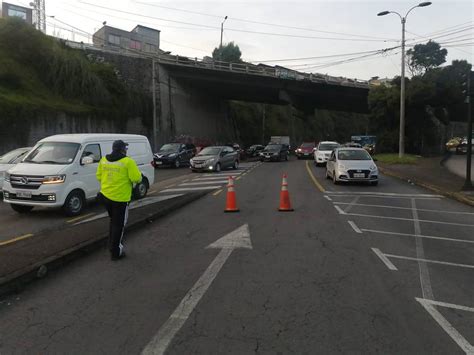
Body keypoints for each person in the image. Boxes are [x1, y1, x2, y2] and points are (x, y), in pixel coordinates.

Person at [96, 140, 142, 260]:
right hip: (120, 199)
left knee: (113, 222)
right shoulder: (128, 161)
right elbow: (136, 178)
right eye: (125, 148)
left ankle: (110, 244)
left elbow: (99, 176)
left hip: (105, 196)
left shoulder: (104, 160)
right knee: (119, 226)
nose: (126, 150)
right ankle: (115, 252)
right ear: (123, 149)